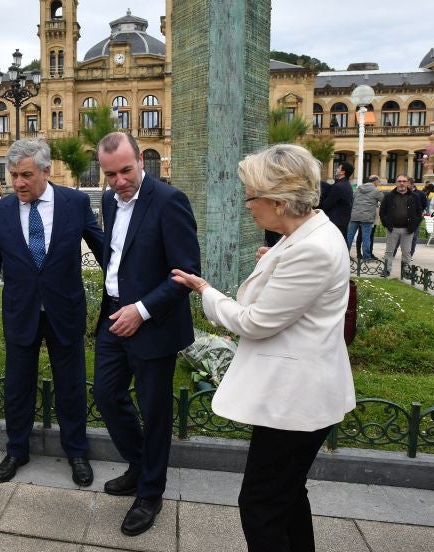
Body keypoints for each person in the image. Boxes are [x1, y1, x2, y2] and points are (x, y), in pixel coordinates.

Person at [172, 144, 355, 551]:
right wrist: (274, 259)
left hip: (295, 400)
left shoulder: (311, 247)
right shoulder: (309, 234)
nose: (248, 206)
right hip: (297, 395)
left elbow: (255, 322)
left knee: (260, 502)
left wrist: (205, 291)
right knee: (287, 495)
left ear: (278, 200)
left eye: (251, 197)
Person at [0, 138, 104, 486]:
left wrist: (130, 286)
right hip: (20, 312)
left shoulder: (74, 203)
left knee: (71, 386)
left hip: (65, 311)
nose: (18, 183)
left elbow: (102, 249)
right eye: (13, 175)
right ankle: (16, 449)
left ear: (46, 171)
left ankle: (76, 451)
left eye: (26, 175)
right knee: (17, 386)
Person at [93, 132, 200, 537]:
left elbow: (186, 273)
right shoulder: (107, 200)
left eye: (125, 170)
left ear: (141, 160)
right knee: (105, 393)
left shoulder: (169, 201)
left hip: (153, 323)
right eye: (110, 175)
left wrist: (141, 310)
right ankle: (141, 467)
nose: (119, 181)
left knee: (155, 412)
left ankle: (151, 492)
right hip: (112, 318)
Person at [379, 174, 423, 278]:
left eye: (404, 181)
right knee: (389, 252)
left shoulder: (414, 197)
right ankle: (386, 270)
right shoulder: (389, 196)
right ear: (396, 183)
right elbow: (382, 211)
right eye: (399, 181)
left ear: (408, 183)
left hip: (408, 230)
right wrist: (386, 223)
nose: (401, 183)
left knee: (406, 252)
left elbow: (419, 212)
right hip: (392, 229)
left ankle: (406, 272)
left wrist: (414, 224)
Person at [346, 175, 384, 260]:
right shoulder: (376, 191)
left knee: (349, 236)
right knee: (366, 237)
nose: (378, 184)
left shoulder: (358, 189)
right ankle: (366, 257)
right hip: (367, 217)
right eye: (378, 182)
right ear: (375, 181)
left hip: (355, 215)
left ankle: (344, 255)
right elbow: (384, 201)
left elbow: (353, 199)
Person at [319, 161, 353, 239]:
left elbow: (326, 205)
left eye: (338, 168)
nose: (336, 169)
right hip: (342, 222)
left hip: (336, 223)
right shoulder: (346, 184)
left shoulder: (338, 187)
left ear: (343, 172)